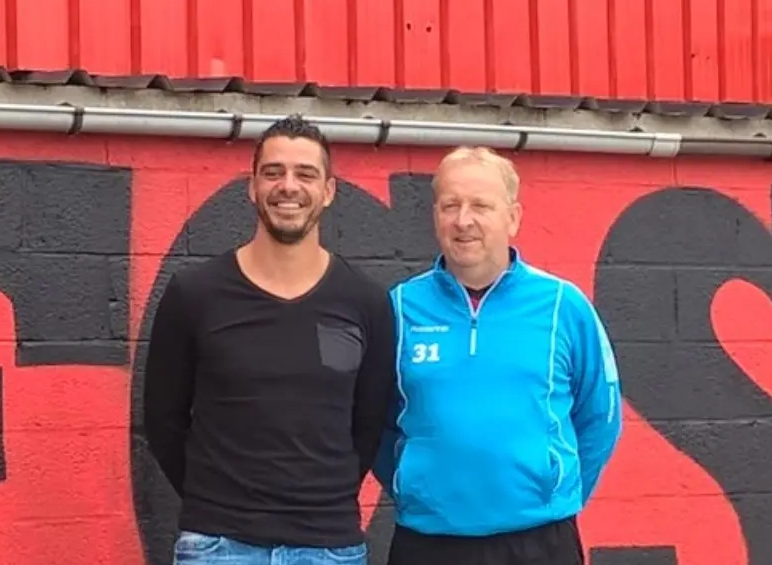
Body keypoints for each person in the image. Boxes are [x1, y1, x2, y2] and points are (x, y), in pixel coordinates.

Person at [142, 114, 397, 565]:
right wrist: (218, 504)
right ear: (252, 186)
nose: (288, 186)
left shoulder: (365, 302)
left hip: (328, 547)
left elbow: (369, 424)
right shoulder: (195, 294)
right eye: (273, 172)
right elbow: (163, 421)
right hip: (218, 547)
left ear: (329, 191)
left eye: (305, 174)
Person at [372, 145, 623, 565]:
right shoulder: (399, 308)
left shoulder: (563, 306)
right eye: (450, 205)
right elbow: (373, 419)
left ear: (513, 217)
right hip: (427, 541)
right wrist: (411, 485)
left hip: (540, 543)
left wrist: (554, 491)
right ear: (435, 216)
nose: (463, 220)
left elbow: (601, 417)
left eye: (480, 205)